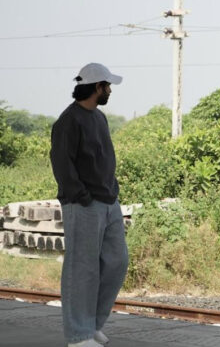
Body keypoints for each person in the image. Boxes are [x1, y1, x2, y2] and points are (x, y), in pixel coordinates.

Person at [50, 63, 128, 347]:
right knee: (82, 269)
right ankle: (78, 335)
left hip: (109, 201)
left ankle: (91, 326)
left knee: (117, 262)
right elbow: (61, 162)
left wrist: (112, 192)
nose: (109, 91)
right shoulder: (69, 120)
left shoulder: (99, 117)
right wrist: (81, 195)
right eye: (107, 86)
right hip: (83, 203)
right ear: (97, 87)